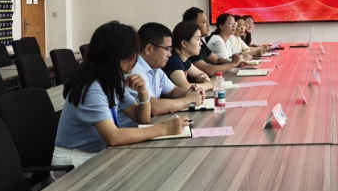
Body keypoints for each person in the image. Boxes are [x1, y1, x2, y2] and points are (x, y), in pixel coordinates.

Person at [52, 21, 189, 172]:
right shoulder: (92, 87)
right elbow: (113, 137)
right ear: (115, 54)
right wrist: (164, 129)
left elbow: (142, 118)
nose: (136, 58)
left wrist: (143, 93)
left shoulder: (111, 79)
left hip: (98, 153)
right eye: (132, 53)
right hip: (75, 161)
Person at [117, 22, 206, 127]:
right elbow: (153, 107)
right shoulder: (133, 69)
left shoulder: (155, 67)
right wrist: (189, 100)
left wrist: (192, 92)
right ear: (149, 49)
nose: (170, 54)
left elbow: (172, 91)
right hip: (131, 130)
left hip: (147, 126)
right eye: (167, 49)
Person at [182, 7, 242, 77]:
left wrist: (236, 63)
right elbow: (207, 70)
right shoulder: (190, 44)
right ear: (192, 25)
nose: (208, 25)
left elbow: (216, 60)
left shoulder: (200, 41)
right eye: (204, 22)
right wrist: (233, 64)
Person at [164, 21, 216, 91]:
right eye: (198, 39)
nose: (201, 43)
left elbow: (201, 74)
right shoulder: (174, 60)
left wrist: (199, 78)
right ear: (184, 43)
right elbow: (186, 87)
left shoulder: (183, 58)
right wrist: (211, 84)